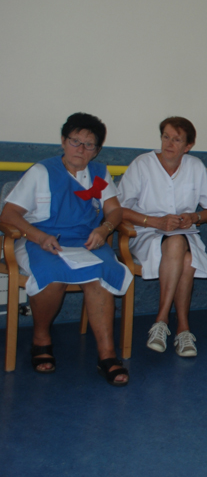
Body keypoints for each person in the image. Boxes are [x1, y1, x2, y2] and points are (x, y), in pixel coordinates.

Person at [0, 113, 132, 386]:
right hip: (41, 240)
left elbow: (114, 210)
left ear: (96, 150)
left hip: (86, 241)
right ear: (63, 141)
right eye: (75, 141)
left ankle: (107, 354)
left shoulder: (99, 173)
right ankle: (41, 338)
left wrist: (104, 230)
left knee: (102, 273)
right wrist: (39, 236)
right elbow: (8, 215)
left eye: (89, 145)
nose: (81, 149)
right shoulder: (41, 172)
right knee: (53, 275)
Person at [117, 117, 207, 358]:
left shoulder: (195, 166)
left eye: (177, 140)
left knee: (183, 253)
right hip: (144, 232)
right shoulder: (142, 164)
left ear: (188, 146)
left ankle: (166, 324)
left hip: (184, 233)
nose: (169, 144)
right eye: (166, 137)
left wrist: (194, 217)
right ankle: (176, 325)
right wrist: (155, 222)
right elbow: (119, 209)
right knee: (178, 247)